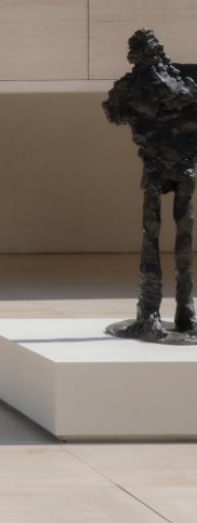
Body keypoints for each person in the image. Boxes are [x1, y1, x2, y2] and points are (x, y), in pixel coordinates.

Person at [103, 28, 197, 339]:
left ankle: (181, 313)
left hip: (176, 165)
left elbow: (115, 113)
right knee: (158, 237)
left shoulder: (174, 81)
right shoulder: (151, 83)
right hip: (165, 166)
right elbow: (113, 113)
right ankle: (157, 313)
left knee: (175, 238)